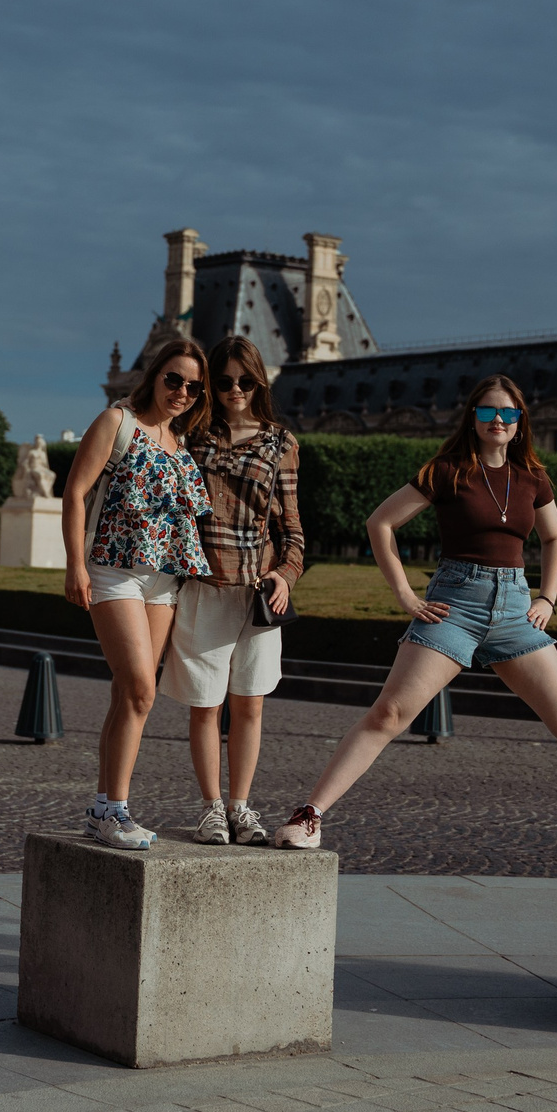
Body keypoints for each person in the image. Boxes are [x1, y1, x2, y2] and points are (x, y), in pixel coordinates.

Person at [273, 378, 557, 850]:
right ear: (473, 418)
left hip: (514, 608)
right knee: (390, 713)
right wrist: (404, 594)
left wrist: (547, 597)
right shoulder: (446, 470)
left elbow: (555, 538)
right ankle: (309, 815)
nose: (499, 421)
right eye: (488, 413)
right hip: (455, 603)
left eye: (508, 414)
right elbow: (380, 522)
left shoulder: (532, 477)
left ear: (520, 421)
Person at [63, 338, 213, 850]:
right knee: (141, 692)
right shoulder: (117, 422)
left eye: (194, 387)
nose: (183, 392)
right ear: (153, 375)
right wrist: (74, 566)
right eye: (174, 379)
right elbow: (75, 493)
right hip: (115, 572)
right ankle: (115, 812)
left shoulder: (180, 441)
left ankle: (102, 807)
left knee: (128, 695)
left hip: (163, 581)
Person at [166, 336, 303, 846]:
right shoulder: (190, 435)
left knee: (249, 704)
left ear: (260, 381)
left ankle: (241, 806)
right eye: (223, 382)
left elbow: (292, 530)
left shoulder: (281, 443)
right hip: (203, 586)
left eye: (245, 381)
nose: (234, 390)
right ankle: (210, 809)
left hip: (258, 594)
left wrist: (285, 576)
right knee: (205, 704)